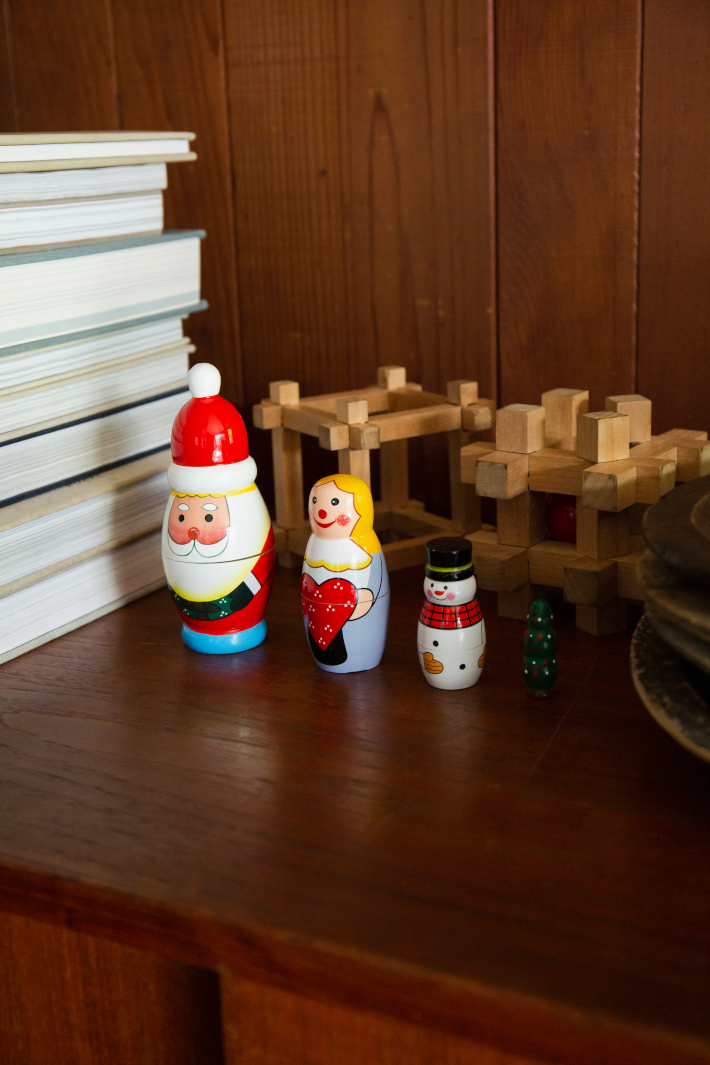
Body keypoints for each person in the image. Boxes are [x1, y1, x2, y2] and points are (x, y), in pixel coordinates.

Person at [301, 473, 389, 673]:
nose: (321, 511)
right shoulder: (315, 542)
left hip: (359, 606)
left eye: (335, 502)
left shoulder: (366, 546)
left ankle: (362, 656)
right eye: (315, 501)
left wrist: (368, 595)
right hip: (321, 607)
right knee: (324, 636)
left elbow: (376, 577)